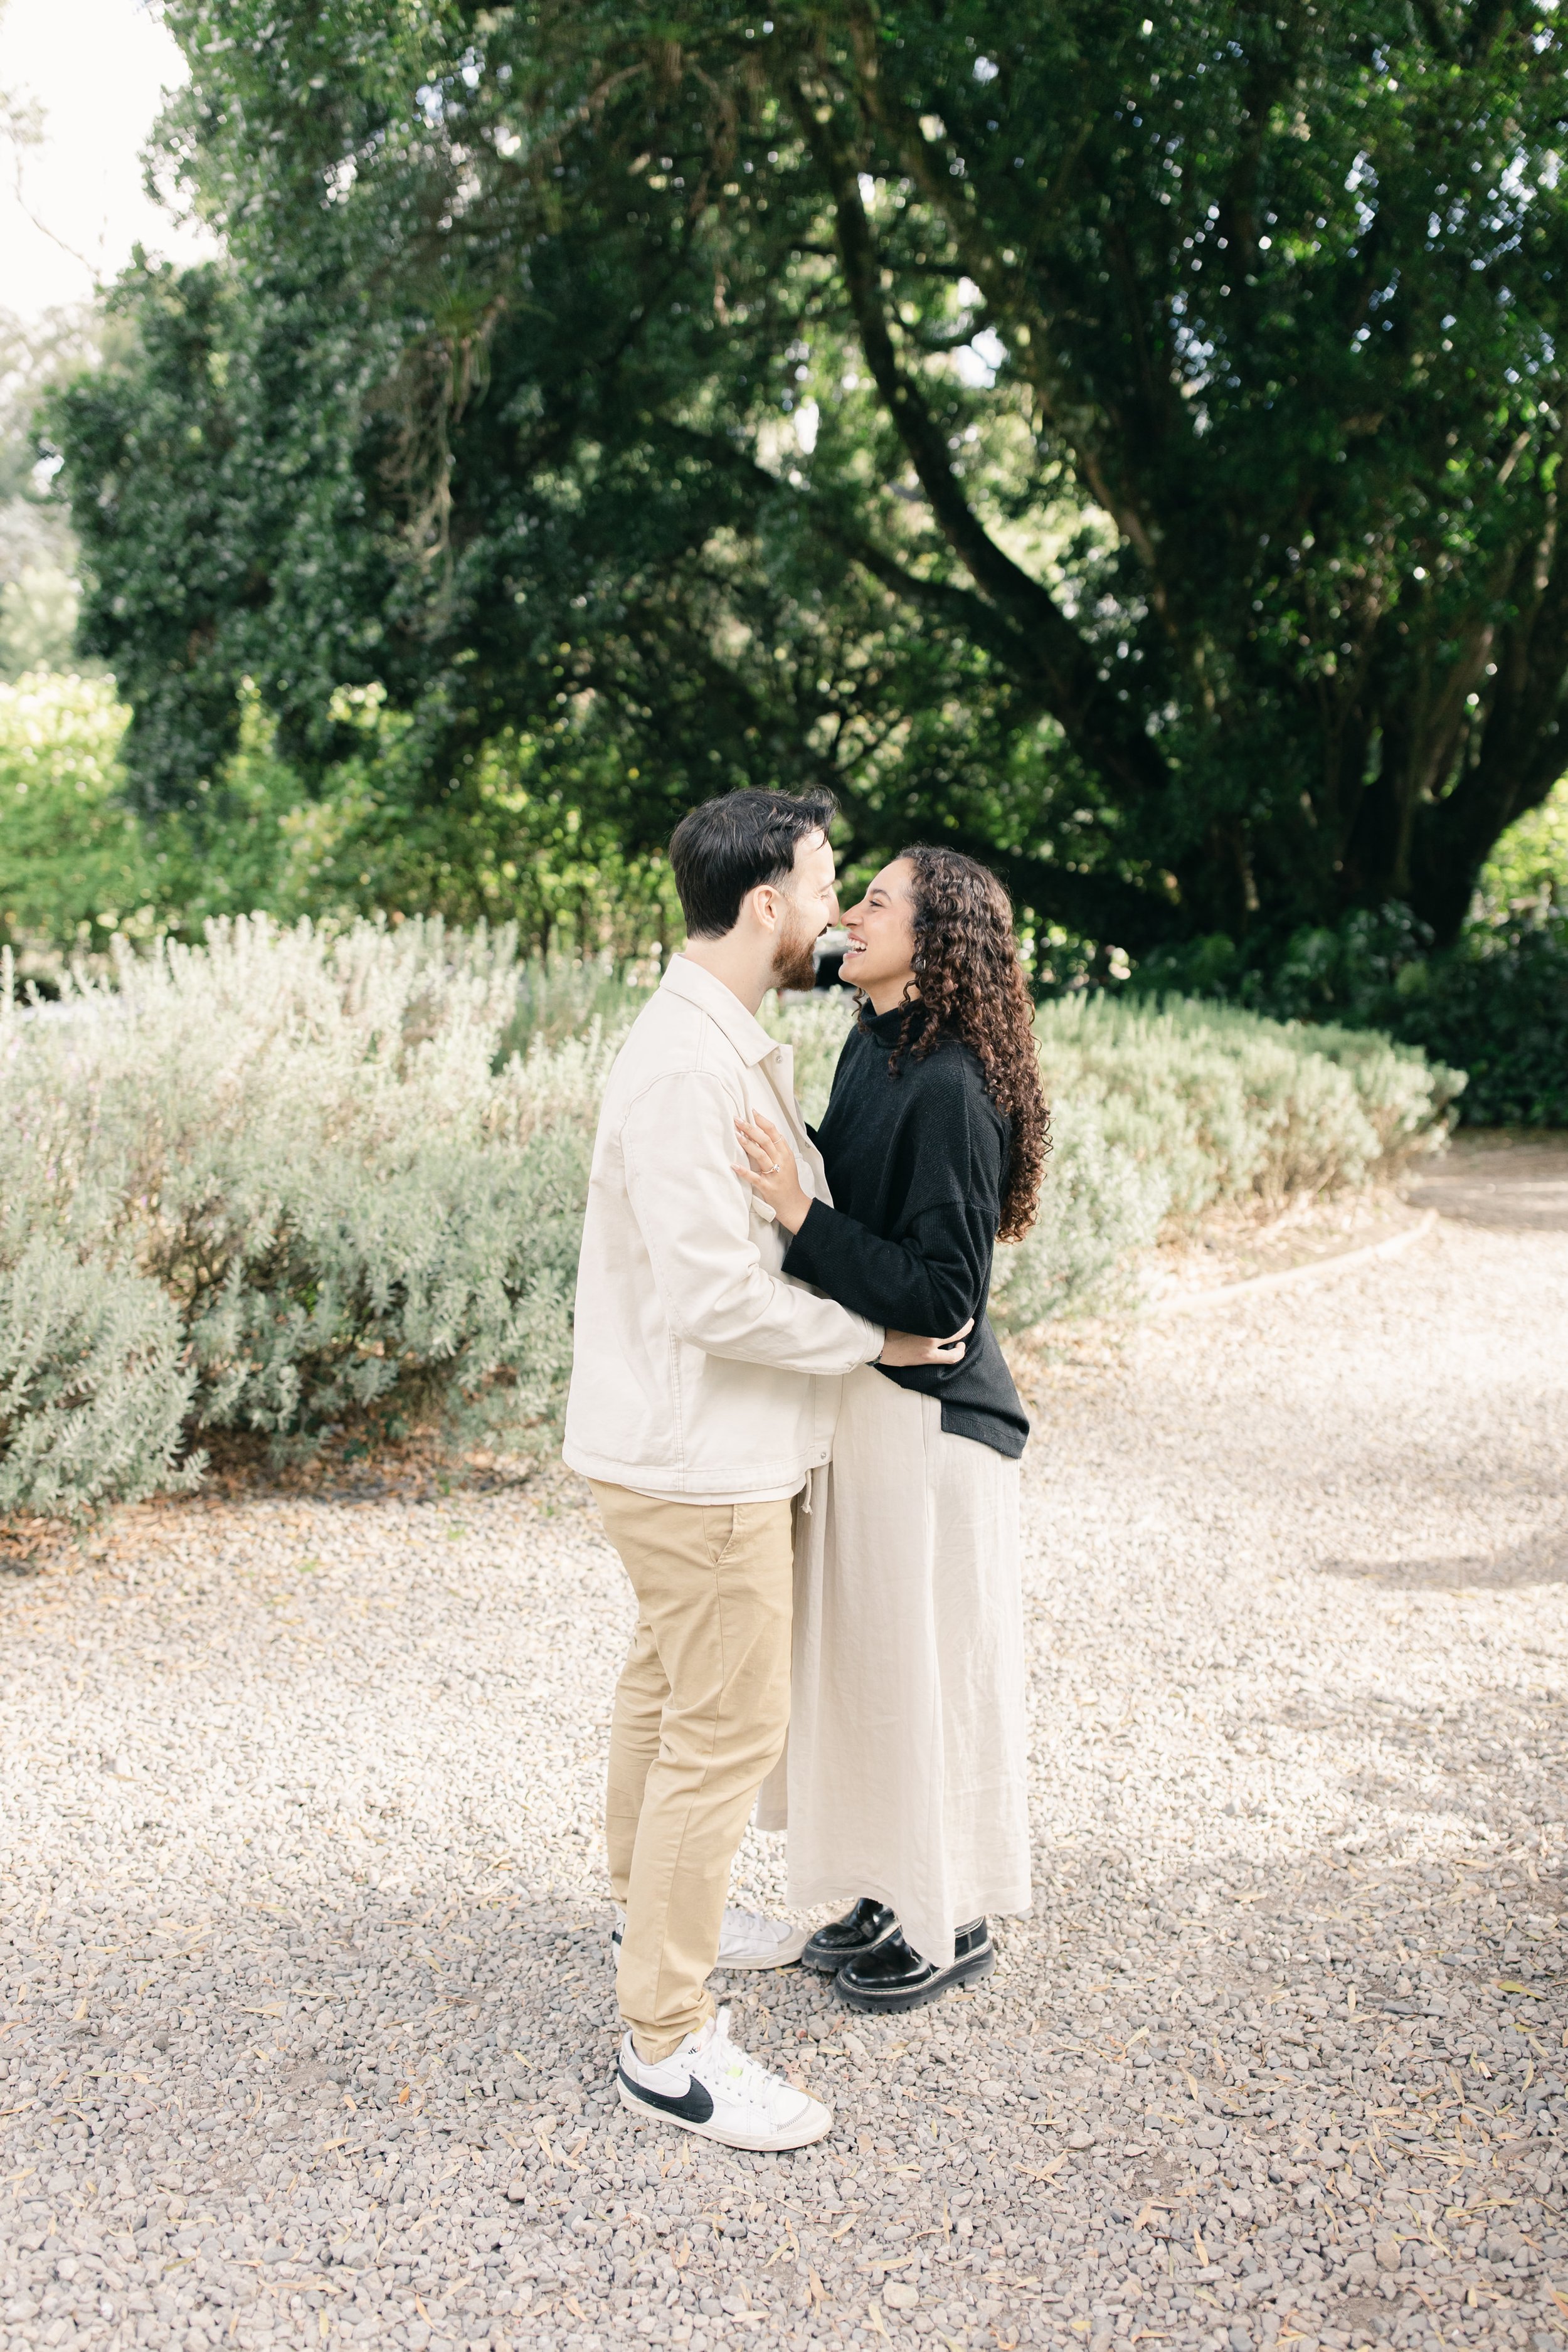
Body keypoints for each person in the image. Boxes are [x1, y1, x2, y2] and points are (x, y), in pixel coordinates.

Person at [563, 790, 968, 2151]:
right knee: (723, 1731)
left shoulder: (715, 1042)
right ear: (761, 909)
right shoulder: (690, 1066)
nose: (835, 913)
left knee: (668, 1686)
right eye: (822, 887)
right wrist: (878, 1334)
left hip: (679, 1446)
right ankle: (665, 2041)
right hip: (699, 1455)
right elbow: (714, 1301)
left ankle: (646, 1912)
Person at [737, 845, 1049, 2013]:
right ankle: (888, 1883)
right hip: (872, 1415)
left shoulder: (954, 1087)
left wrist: (800, 1214)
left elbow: (941, 1299)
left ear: (937, 938)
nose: (852, 914)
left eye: (875, 900)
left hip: (938, 1436)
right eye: (852, 893)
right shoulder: (877, 1042)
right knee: (869, 1673)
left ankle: (951, 1917)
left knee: (930, 1679)